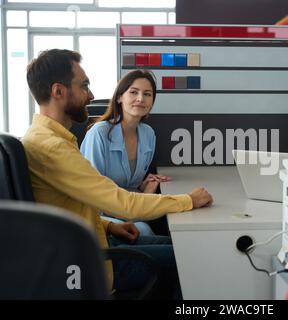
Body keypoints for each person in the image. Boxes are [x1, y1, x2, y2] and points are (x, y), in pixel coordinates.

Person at [22, 49, 213, 298]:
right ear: (58, 91)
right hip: (91, 265)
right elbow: (120, 202)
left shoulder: (50, 139)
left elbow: (65, 210)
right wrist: (189, 200)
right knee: (189, 258)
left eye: (147, 94)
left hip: (96, 240)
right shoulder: (52, 148)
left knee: (182, 245)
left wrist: (110, 226)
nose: (91, 95)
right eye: (84, 86)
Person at [80, 70, 166, 238]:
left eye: (147, 94)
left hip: (131, 208)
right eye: (133, 92)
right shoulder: (100, 134)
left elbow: (129, 185)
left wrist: (142, 186)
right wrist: (142, 201)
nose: (141, 98)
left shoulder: (148, 134)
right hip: (102, 216)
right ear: (119, 97)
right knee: (145, 232)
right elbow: (93, 194)